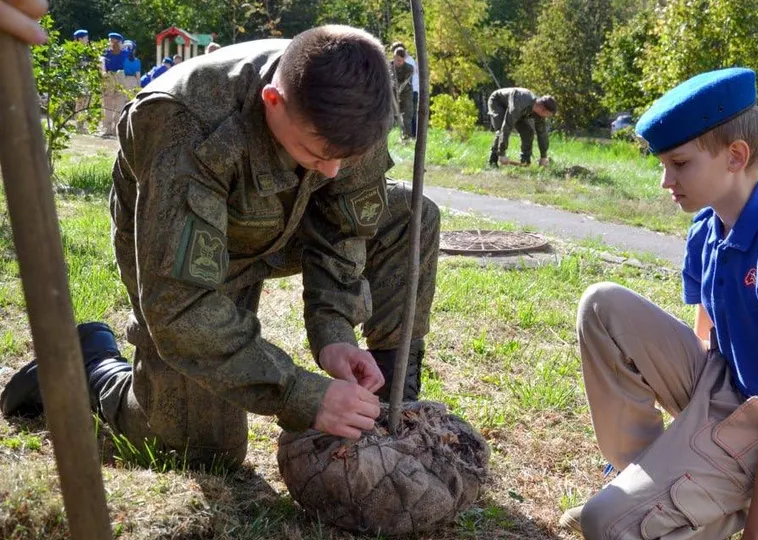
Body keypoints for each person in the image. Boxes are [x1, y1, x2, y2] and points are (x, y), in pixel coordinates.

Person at [2, 23, 440, 474]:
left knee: (411, 215)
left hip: (281, 220)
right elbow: (180, 305)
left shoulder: (353, 109)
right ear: (274, 101)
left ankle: (391, 406)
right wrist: (300, 393)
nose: (331, 172)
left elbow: (345, 228)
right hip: (189, 242)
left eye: (343, 159)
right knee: (200, 448)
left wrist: (334, 335)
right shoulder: (184, 122)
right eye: (315, 153)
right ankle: (92, 367)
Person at [560, 68, 758, 539]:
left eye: (679, 163)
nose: (664, 181)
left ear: (735, 156)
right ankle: (638, 485)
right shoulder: (707, 229)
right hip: (724, 383)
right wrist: (676, 455)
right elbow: (705, 343)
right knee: (601, 305)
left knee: (603, 526)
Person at [486, 87, 556, 167]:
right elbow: (507, 126)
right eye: (548, 114)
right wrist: (502, 153)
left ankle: (525, 162)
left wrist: (543, 156)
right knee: (501, 128)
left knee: (528, 131)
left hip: (517, 108)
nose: (547, 117)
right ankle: (492, 162)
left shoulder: (539, 113)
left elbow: (542, 133)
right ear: (543, 109)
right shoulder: (521, 102)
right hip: (498, 102)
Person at [101, 31, 129, 137]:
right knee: (119, 103)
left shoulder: (106, 52)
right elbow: (129, 46)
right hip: (120, 76)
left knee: (107, 103)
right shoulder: (125, 52)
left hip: (108, 76)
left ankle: (106, 129)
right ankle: (116, 129)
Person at [391, 41, 418, 138]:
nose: (399, 63)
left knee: (407, 116)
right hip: (392, 93)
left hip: (406, 93)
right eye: (397, 60)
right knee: (392, 116)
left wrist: (397, 88)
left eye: (401, 61)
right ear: (394, 57)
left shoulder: (409, 68)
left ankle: (407, 137)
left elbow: (405, 82)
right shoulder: (388, 66)